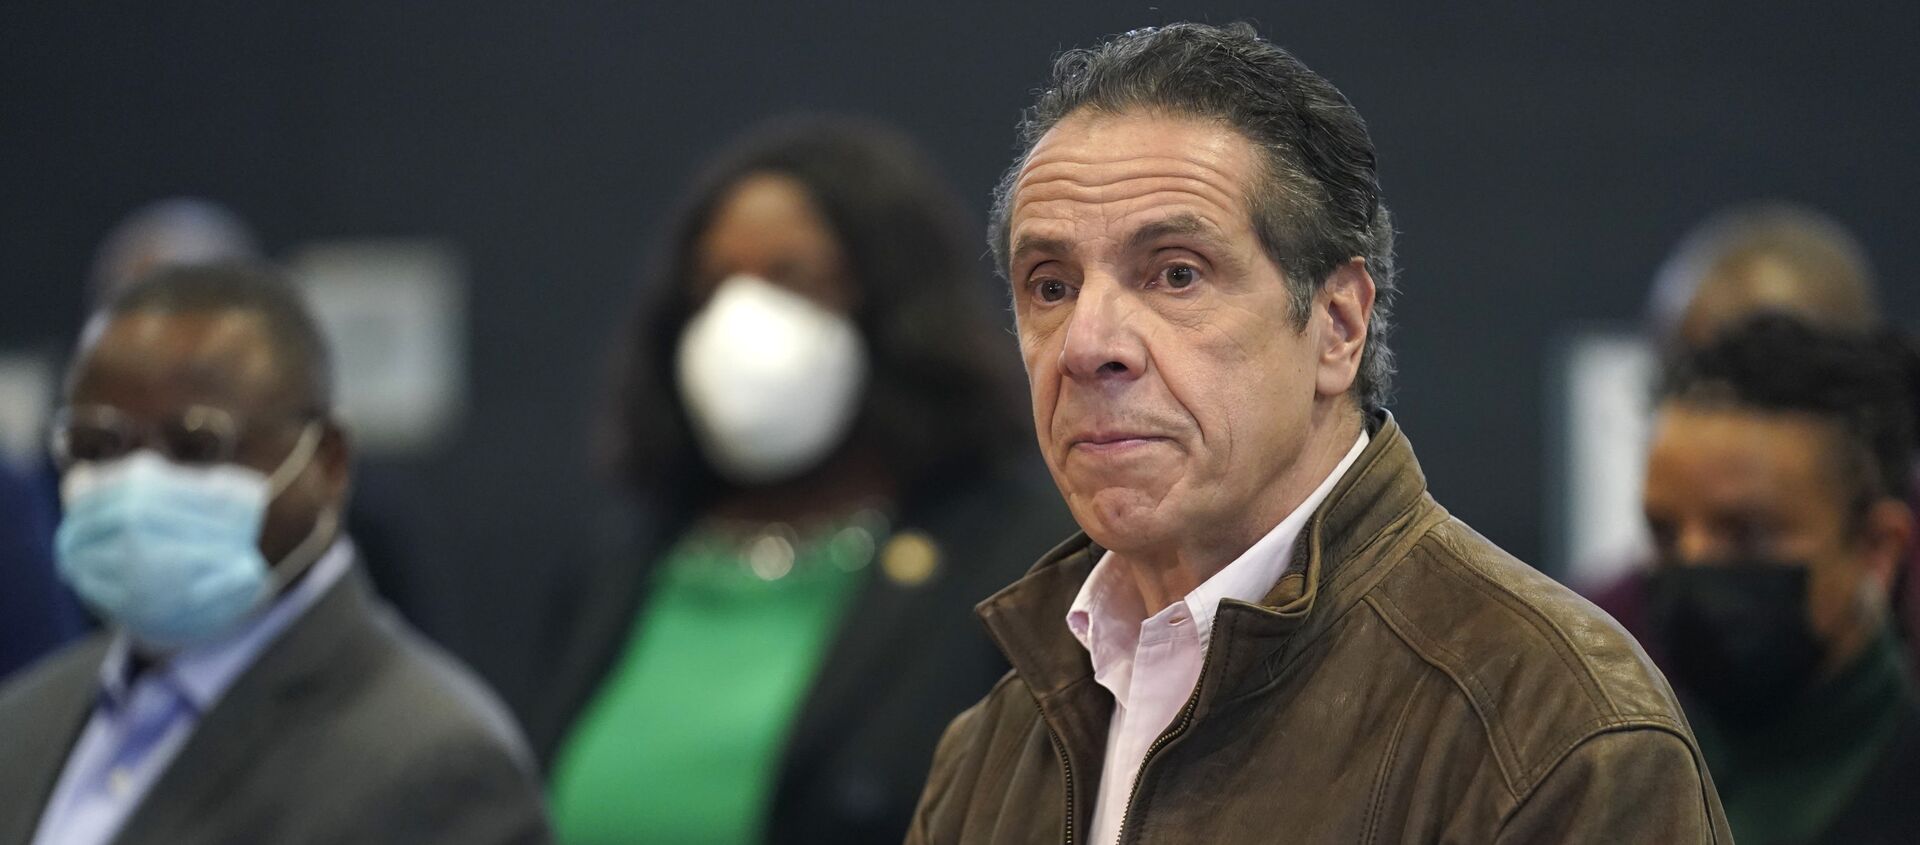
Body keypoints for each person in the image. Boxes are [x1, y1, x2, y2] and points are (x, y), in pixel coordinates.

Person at [909, 22, 1730, 843]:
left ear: (1338, 326)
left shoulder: (1555, 727)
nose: (1088, 345)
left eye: (1177, 273)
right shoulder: (988, 749)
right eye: (1049, 286)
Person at [533, 117, 1071, 844]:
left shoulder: (1013, 559)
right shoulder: (620, 561)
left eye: (792, 278)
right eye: (714, 284)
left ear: (893, 303)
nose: (741, 318)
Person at [0, 262, 551, 844]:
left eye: (197, 446)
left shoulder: (437, 766)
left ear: (328, 463)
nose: (136, 484)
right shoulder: (24, 721)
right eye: (98, 445)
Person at [1639, 314, 1919, 843]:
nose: (1693, 561)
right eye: (1665, 533)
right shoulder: (1610, 779)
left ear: (1877, 549)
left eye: (1746, 533)